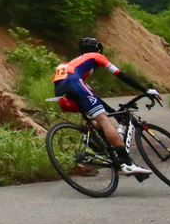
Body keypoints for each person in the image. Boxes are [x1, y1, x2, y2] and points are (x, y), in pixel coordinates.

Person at [53, 37, 158, 176]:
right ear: (98, 50)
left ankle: (92, 140)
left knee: (95, 118)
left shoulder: (72, 65)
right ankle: (127, 162)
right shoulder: (95, 56)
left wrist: (113, 112)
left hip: (59, 87)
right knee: (104, 119)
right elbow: (121, 75)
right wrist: (145, 90)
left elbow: (94, 98)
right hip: (73, 83)